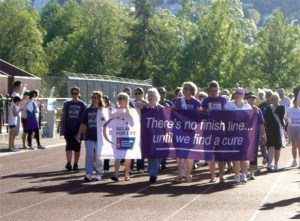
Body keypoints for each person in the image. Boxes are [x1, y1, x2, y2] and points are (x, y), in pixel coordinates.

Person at [173, 82, 201, 183]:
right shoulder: (178, 101)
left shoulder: (196, 103)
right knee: (179, 153)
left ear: (192, 91)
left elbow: (199, 118)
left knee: (189, 154)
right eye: (184, 88)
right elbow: (172, 113)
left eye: (187, 89)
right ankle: (180, 174)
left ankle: (188, 174)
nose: (185, 90)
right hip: (178, 130)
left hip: (190, 131)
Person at [201, 80, 228, 183]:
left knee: (220, 154)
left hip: (220, 130)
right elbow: (200, 111)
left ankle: (221, 175)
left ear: (218, 90)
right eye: (212, 91)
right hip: (208, 130)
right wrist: (204, 110)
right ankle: (212, 176)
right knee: (209, 154)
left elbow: (228, 113)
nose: (214, 93)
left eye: (215, 91)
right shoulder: (205, 100)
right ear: (209, 90)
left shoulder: (223, 100)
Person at [224, 87, 252, 183]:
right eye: (236, 93)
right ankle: (236, 174)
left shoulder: (248, 107)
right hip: (232, 134)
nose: (237, 95)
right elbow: (224, 118)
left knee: (244, 155)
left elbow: (250, 122)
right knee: (235, 155)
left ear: (243, 95)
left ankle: (243, 174)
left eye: (239, 93)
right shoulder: (228, 105)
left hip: (244, 134)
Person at [76, 91, 104, 182]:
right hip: (89, 136)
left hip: (100, 137)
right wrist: (79, 133)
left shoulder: (103, 110)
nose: (93, 99)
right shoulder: (87, 110)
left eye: (95, 97)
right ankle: (88, 173)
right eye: (92, 97)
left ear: (99, 99)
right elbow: (83, 123)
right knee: (89, 155)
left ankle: (99, 173)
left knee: (99, 156)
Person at [58, 86, 86, 171]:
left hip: (78, 128)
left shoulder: (82, 104)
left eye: (76, 93)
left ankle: (75, 163)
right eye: (73, 93)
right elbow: (63, 115)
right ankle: (69, 163)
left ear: (78, 94)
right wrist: (60, 125)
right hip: (68, 128)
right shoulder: (67, 104)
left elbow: (84, 118)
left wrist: (83, 130)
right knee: (69, 146)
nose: (74, 95)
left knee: (77, 147)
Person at [110, 93, 133, 182]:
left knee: (127, 156)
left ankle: (127, 175)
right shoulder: (114, 111)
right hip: (116, 136)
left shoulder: (130, 110)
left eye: (122, 98)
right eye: (119, 98)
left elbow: (132, 124)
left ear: (126, 100)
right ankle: (116, 174)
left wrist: (127, 113)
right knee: (117, 156)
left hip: (127, 136)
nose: (120, 100)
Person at [144, 88, 164, 183]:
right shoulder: (145, 107)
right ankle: (151, 171)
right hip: (147, 135)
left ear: (156, 96)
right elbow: (137, 104)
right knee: (150, 155)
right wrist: (147, 105)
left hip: (158, 135)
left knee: (155, 154)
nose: (150, 96)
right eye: (149, 94)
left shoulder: (161, 108)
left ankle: (153, 174)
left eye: (152, 95)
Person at [245, 92, 267, 180]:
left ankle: (252, 172)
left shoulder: (258, 110)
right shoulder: (242, 109)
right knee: (244, 152)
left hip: (255, 135)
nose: (252, 100)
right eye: (250, 98)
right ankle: (244, 171)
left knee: (253, 153)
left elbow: (261, 123)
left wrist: (263, 134)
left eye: (253, 98)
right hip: (244, 134)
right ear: (246, 99)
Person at [264, 93, 285, 172]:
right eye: (273, 99)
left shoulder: (281, 107)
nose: (275, 101)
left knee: (278, 147)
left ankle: (276, 164)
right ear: (271, 100)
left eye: (276, 99)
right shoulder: (268, 108)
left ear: (279, 99)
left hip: (278, 129)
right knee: (270, 146)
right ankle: (269, 164)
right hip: (269, 129)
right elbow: (265, 118)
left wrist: (273, 107)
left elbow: (280, 114)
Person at [130, 87, 147, 173]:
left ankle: (140, 167)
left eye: (139, 93)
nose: (137, 95)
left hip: (142, 128)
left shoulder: (146, 103)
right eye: (135, 93)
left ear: (142, 94)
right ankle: (131, 167)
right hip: (132, 128)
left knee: (141, 148)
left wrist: (145, 104)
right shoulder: (131, 102)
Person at [285, 99, 300, 167]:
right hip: (292, 128)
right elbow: (286, 118)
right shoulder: (289, 109)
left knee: (299, 145)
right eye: (295, 102)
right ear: (293, 102)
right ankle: (294, 160)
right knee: (294, 145)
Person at [102, 95, 110, 173]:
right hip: (98, 133)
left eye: (106, 101)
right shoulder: (97, 111)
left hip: (107, 134)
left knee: (107, 150)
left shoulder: (111, 111)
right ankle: (98, 166)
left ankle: (106, 167)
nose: (104, 103)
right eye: (103, 101)